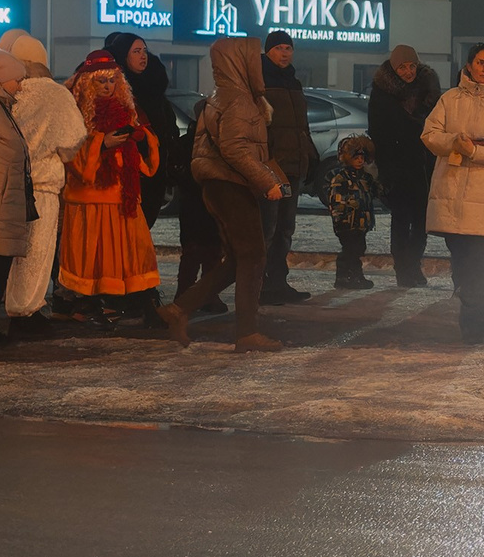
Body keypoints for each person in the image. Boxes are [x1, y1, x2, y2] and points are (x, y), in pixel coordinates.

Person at [160, 37, 292, 351]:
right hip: (230, 185)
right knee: (254, 256)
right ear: (240, 62)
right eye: (253, 59)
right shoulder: (238, 100)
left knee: (239, 259)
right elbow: (235, 149)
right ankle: (247, 334)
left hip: (220, 184)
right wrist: (267, 182)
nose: (259, 64)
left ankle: (179, 309)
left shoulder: (223, 95)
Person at [422, 43, 484, 343]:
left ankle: (478, 326)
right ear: (469, 65)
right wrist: (454, 142)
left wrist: (475, 152)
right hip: (452, 196)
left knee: (477, 266)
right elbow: (429, 134)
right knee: (462, 265)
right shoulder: (450, 99)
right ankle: (477, 321)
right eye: (480, 62)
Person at [59, 50, 162, 326]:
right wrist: (102, 143)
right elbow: (68, 152)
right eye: (101, 81)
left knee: (130, 252)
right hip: (90, 196)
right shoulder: (74, 112)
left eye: (112, 80)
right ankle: (87, 304)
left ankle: (129, 302)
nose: (108, 87)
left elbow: (141, 146)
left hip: (122, 193)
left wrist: (139, 138)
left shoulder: (126, 109)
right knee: (92, 255)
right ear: (87, 83)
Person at [1, 34, 84, 331]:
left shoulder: (7, 89)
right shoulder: (55, 94)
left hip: (8, 184)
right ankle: (26, 313)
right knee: (36, 252)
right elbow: (73, 139)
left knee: (7, 250)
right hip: (43, 185)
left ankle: (8, 304)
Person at [367, 44, 442, 288]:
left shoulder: (427, 90)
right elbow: (378, 132)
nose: (408, 72)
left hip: (422, 163)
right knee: (401, 218)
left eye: (412, 66)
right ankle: (402, 268)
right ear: (394, 68)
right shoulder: (383, 92)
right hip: (396, 165)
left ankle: (414, 264)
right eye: (402, 67)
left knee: (421, 220)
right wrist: (386, 168)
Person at [259, 31, 319, 305]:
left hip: (293, 166)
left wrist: (309, 153)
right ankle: (260, 285)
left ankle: (278, 282)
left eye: (288, 48)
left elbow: (301, 126)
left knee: (285, 228)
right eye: (279, 48)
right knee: (267, 228)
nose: (284, 53)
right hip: (272, 167)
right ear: (268, 51)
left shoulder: (294, 82)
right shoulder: (260, 81)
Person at [102, 31, 180, 227]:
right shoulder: (112, 90)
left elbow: (169, 129)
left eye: (144, 50)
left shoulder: (154, 89)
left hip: (154, 173)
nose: (143, 56)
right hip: (124, 174)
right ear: (123, 55)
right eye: (136, 51)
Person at [171, 94, 226, 317]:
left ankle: (207, 295)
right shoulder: (189, 143)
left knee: (214, 250)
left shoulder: (219, 142)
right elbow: (178, 172)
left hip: (213, 202)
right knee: (193, 251)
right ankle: (185, 296)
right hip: (195, 203)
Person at [0, 50, 33, 346]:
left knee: (0, 271)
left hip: (6, 204)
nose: (20, 86)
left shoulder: (4, 108)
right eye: (17, 80)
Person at [322, 135, 378, 290]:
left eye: (362, 158)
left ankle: (355, 275)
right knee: (350, 249)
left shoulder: (365, 178)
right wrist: (339, 218)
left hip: (361, 222)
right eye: (356, 158)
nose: (360, 161)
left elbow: (374, 192)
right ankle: (344, 276)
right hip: (346, 222)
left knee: (358, 249)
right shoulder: (340, 178)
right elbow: (336, 201)